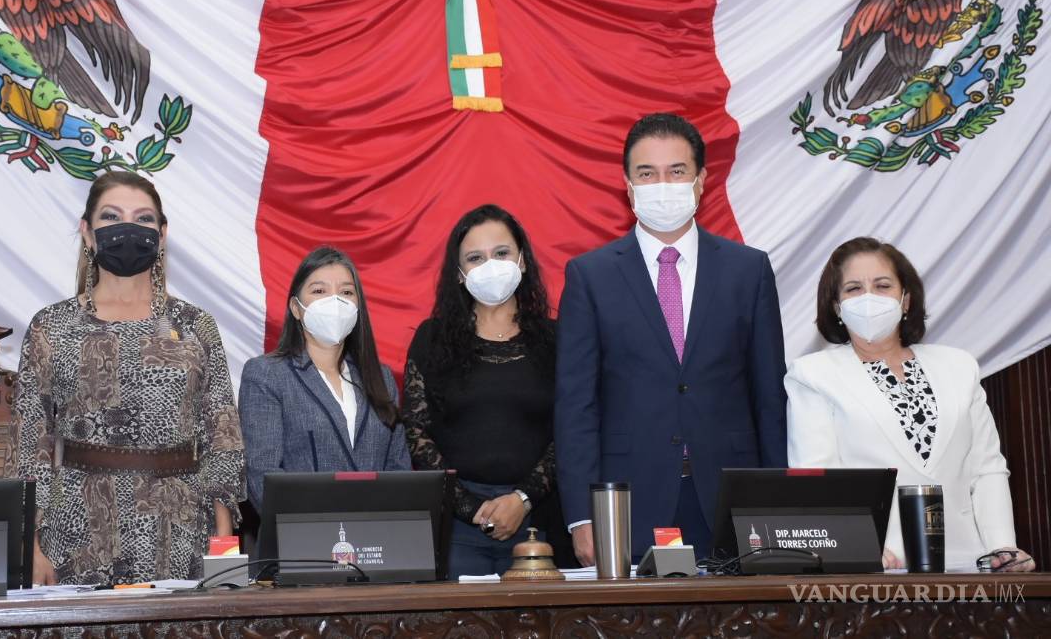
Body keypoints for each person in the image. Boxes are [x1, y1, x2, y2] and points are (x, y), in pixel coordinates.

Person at [555, 113, 788, 564]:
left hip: (731, 493)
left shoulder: (748, 270)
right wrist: (582, 517)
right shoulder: (590, 276)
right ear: (628, 186)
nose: (662, 185)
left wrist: (775, 498)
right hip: (627, 500)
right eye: (647, 174)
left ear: (701, 181)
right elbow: (575, 406)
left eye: (676, 171)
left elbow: (768, 398)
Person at [9, 171, 245, 585]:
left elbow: (222, 437)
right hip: (78, 527)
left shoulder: (194, 325)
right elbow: (30, 442)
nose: (128, 229)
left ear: (162, 234)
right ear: (87, 231)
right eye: (112, 216)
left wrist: (223, 547)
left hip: (180, 526)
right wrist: (29, 544)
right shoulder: (52, 326)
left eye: (143, 219)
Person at [785, 237, 1035, 572]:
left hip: (971, 563)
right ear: (836, 307)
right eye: (854, 289)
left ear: (905, 300)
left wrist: (1002, 548)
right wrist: (856, 546)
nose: (869, 297)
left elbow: (987, 468)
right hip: (878, 566)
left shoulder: (959, 366)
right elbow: (816, 476)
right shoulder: (813, 374)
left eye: (882, 285)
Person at [402, 204, 575, 577]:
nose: (490, 266)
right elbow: (416, 432)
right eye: (475, 258)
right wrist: (470, 507)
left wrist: (522, 499)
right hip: (456, 525)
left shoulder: (557, 340)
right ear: (459, 272)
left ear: (522, 261)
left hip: (540, 519)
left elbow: (571, 429)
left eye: (501, 253)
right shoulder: (432, 339)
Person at [239, 246, 410, 514]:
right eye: (319, 291)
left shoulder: (382, 378)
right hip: (303, 535)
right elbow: (263, 478)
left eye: (346, 292)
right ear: (296, 308)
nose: (335, 301)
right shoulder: (267, 374)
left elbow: (399, 472)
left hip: (377, 535)